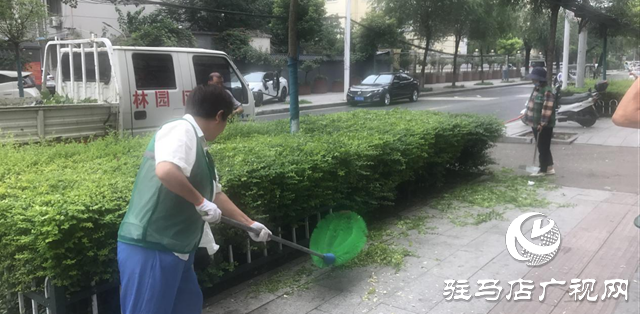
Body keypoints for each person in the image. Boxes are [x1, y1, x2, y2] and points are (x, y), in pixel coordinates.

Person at [117, 85, 271, 314]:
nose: (224, 127)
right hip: (152, 246)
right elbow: (166, 171)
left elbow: (215, 195)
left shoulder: (201, 148)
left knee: (188, 306)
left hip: (177, 247)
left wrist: (250, 224)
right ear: (219, 116)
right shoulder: (181, 129)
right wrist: (200, 201)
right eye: (227, 120)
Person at [523, 67, 556, 177]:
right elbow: (532, 104)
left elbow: (547, 109)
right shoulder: (536, 89)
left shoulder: (547, 91)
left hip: (543, 125)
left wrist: (542, 123)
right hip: (535, 123)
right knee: (543, 147)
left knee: (543, 147)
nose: (533, 81)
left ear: (540, 80)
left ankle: (543, 170)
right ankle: (549, 167)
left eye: (535, 79)